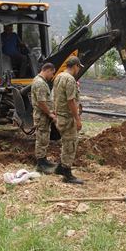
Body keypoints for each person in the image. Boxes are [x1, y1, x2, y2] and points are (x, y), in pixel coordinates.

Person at [52, 55, 84, 184]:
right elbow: (71, 101)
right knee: (71, 143)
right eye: (78, 67)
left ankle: (60, 167)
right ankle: (67, 174)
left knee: (66, 142)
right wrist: (77, 119)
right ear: (75, 66)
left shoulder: (59, 76)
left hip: (60, 115)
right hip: (67, 117)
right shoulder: (70, 79)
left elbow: (55, 97)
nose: (78, 70)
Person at [31, 62, 57, 173]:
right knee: (41, 139)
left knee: (44, 138)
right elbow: (41, 102)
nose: (52, 76)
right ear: (48, 70)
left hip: (43, 116)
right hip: (42, 116)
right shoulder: (40, 83)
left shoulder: (39, 81)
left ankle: (43, 160)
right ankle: (40, 164)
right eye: (52, 73)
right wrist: (50, 113)